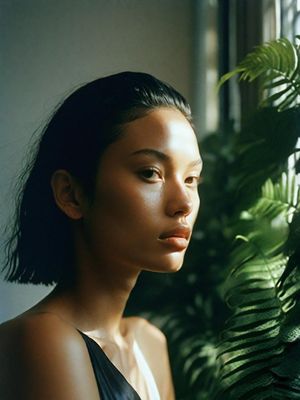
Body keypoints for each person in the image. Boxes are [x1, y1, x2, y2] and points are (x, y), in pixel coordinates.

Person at [0, 71, 202, 399]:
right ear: (72, 194)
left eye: (192, 179)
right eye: (150, 173)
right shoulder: (44, 339)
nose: (183, 203)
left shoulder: (150, 343)